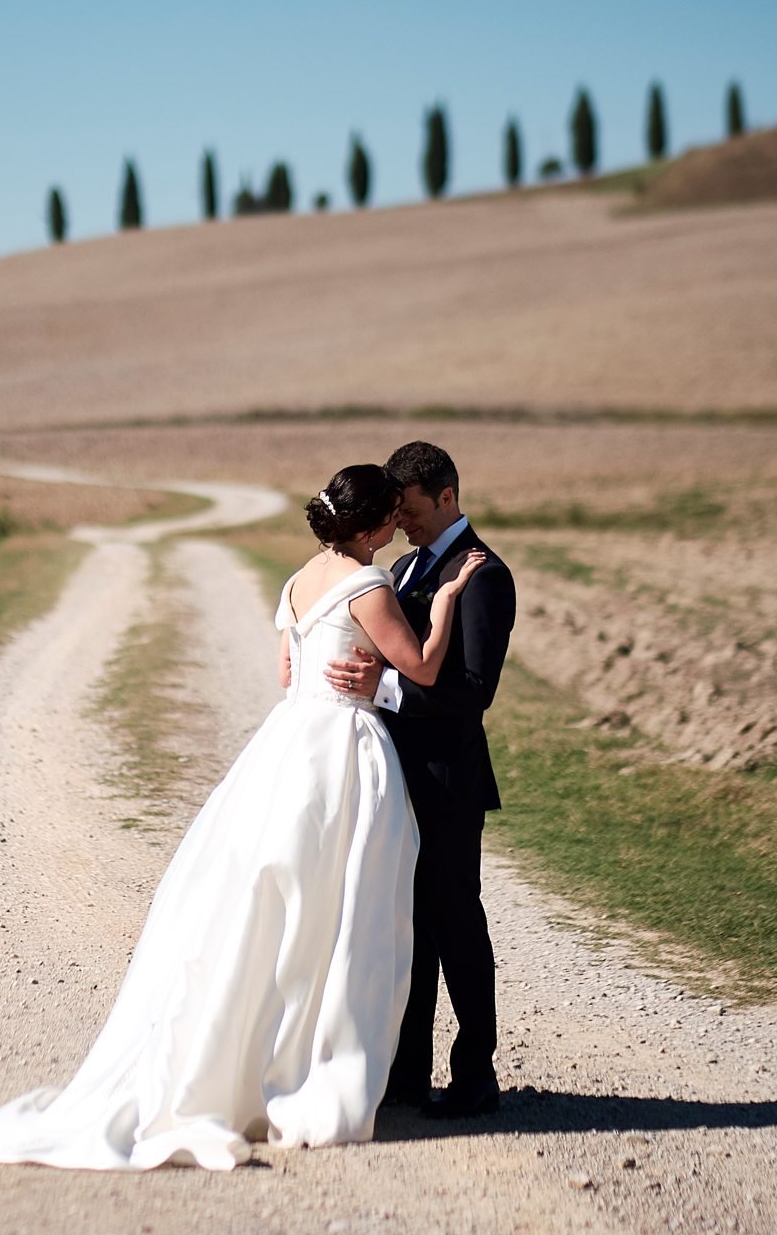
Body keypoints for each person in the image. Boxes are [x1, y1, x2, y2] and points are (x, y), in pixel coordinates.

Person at [0, 464, 486, 1170]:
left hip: (287, 744)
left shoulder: (298, 583)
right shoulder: (371, 585)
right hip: (340, 751)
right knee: (343, 907)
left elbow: (288, 677)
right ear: (365, 529)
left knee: (275, 900)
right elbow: (418, 667)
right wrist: (447, 596)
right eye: (389, 519)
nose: (396, 529)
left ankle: (271, 1058)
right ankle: (319, 1063)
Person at [326, 441, 517, 1119]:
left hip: (446, 781)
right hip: (391, 779)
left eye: (408, 510)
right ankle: (406, 1075)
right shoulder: (406, 567)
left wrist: (384, 691)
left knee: (455, 922)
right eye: (394, 513)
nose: (400, 523)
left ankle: (476, 1076)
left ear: (446, 496)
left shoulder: (486, 574)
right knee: (403, 928)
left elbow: (472, 690)